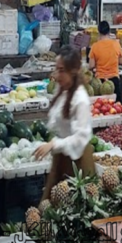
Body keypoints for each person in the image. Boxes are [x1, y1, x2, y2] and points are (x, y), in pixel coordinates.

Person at [34, 46, 95, 201]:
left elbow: (81, 138)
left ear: (73, 71)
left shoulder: (80, 99)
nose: (57, 74)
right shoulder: (62, 90)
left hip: (78, 161)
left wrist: (54, 144)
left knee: (74, 209)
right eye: (56, 69)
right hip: (62, 157)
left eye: (61, 70)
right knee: (50, 207)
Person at [89, 21, 122, 101]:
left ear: (99, 31)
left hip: (101, 83)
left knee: (102, 109)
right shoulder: (116, 44)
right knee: (116, 108)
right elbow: (121, 61)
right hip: (114, 81)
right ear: (109, 31)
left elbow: (91, 66)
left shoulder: (95, 46)